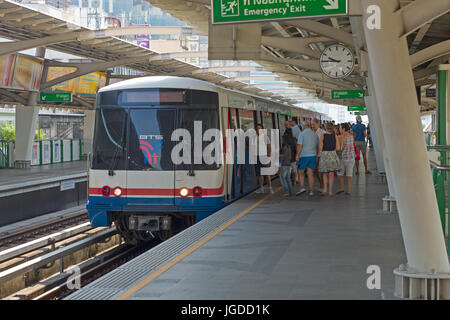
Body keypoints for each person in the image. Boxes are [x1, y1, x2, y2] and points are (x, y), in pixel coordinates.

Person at [295, 122, 319, 197]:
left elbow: (299, 146)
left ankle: (302, 187)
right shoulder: (315, 134)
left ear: (304, 126)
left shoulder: (302, 134)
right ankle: (311, 191)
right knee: (310, 174)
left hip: (304, 156)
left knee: (300, 172)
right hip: (313, 156)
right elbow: (318, 146)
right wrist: (316, 154)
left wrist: (297, 155)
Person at [318, 122, 340, 196]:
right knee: (331, 174)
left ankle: (325, 190)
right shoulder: (335, 136)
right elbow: (338, 148)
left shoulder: (323, 136)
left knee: (325, 173)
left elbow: (320, 148)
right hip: (333, 154)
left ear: (325, 128)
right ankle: (330, 191)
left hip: (324, 155)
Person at [337, 123, 356, 195]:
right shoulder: (352, 136)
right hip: (351, 158)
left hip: (343, 158)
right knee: (349, 174)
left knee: (340, 174)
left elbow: (340, 148)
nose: (339, 129)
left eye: (340, 128)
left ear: (343, 129)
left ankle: (342, 188)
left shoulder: (341, 137)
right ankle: (348, 190)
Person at [255, 124, 274, 194]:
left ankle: (270, 188)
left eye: (259, 129)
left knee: (267, 173)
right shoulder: (254, 138)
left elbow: (269, 148)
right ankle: (261, 188)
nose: (258, 130)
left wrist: (269, 158)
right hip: (257, 157)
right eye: (257, 129)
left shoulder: (266, 138)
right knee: (260, 174)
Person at [283, 121, 298, 186]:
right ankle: (294, 182)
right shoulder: (294, 138)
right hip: (292, 155)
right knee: (294, 169)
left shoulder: (284, 137)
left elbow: (283, 146)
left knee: (289, 170)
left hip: (288, 156)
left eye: (287, 124)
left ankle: (290, 181)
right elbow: (296, 146)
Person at [312, 119, 325, 191]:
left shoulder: (322, 132)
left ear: (318, 124)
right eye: (312, 124)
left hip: (321, 154)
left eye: (313, 124)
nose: (312, 126)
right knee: (317, 170)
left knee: (319, 170)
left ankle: (322, 185)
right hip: (314, 154)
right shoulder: (312, 132)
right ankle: (321, 184)